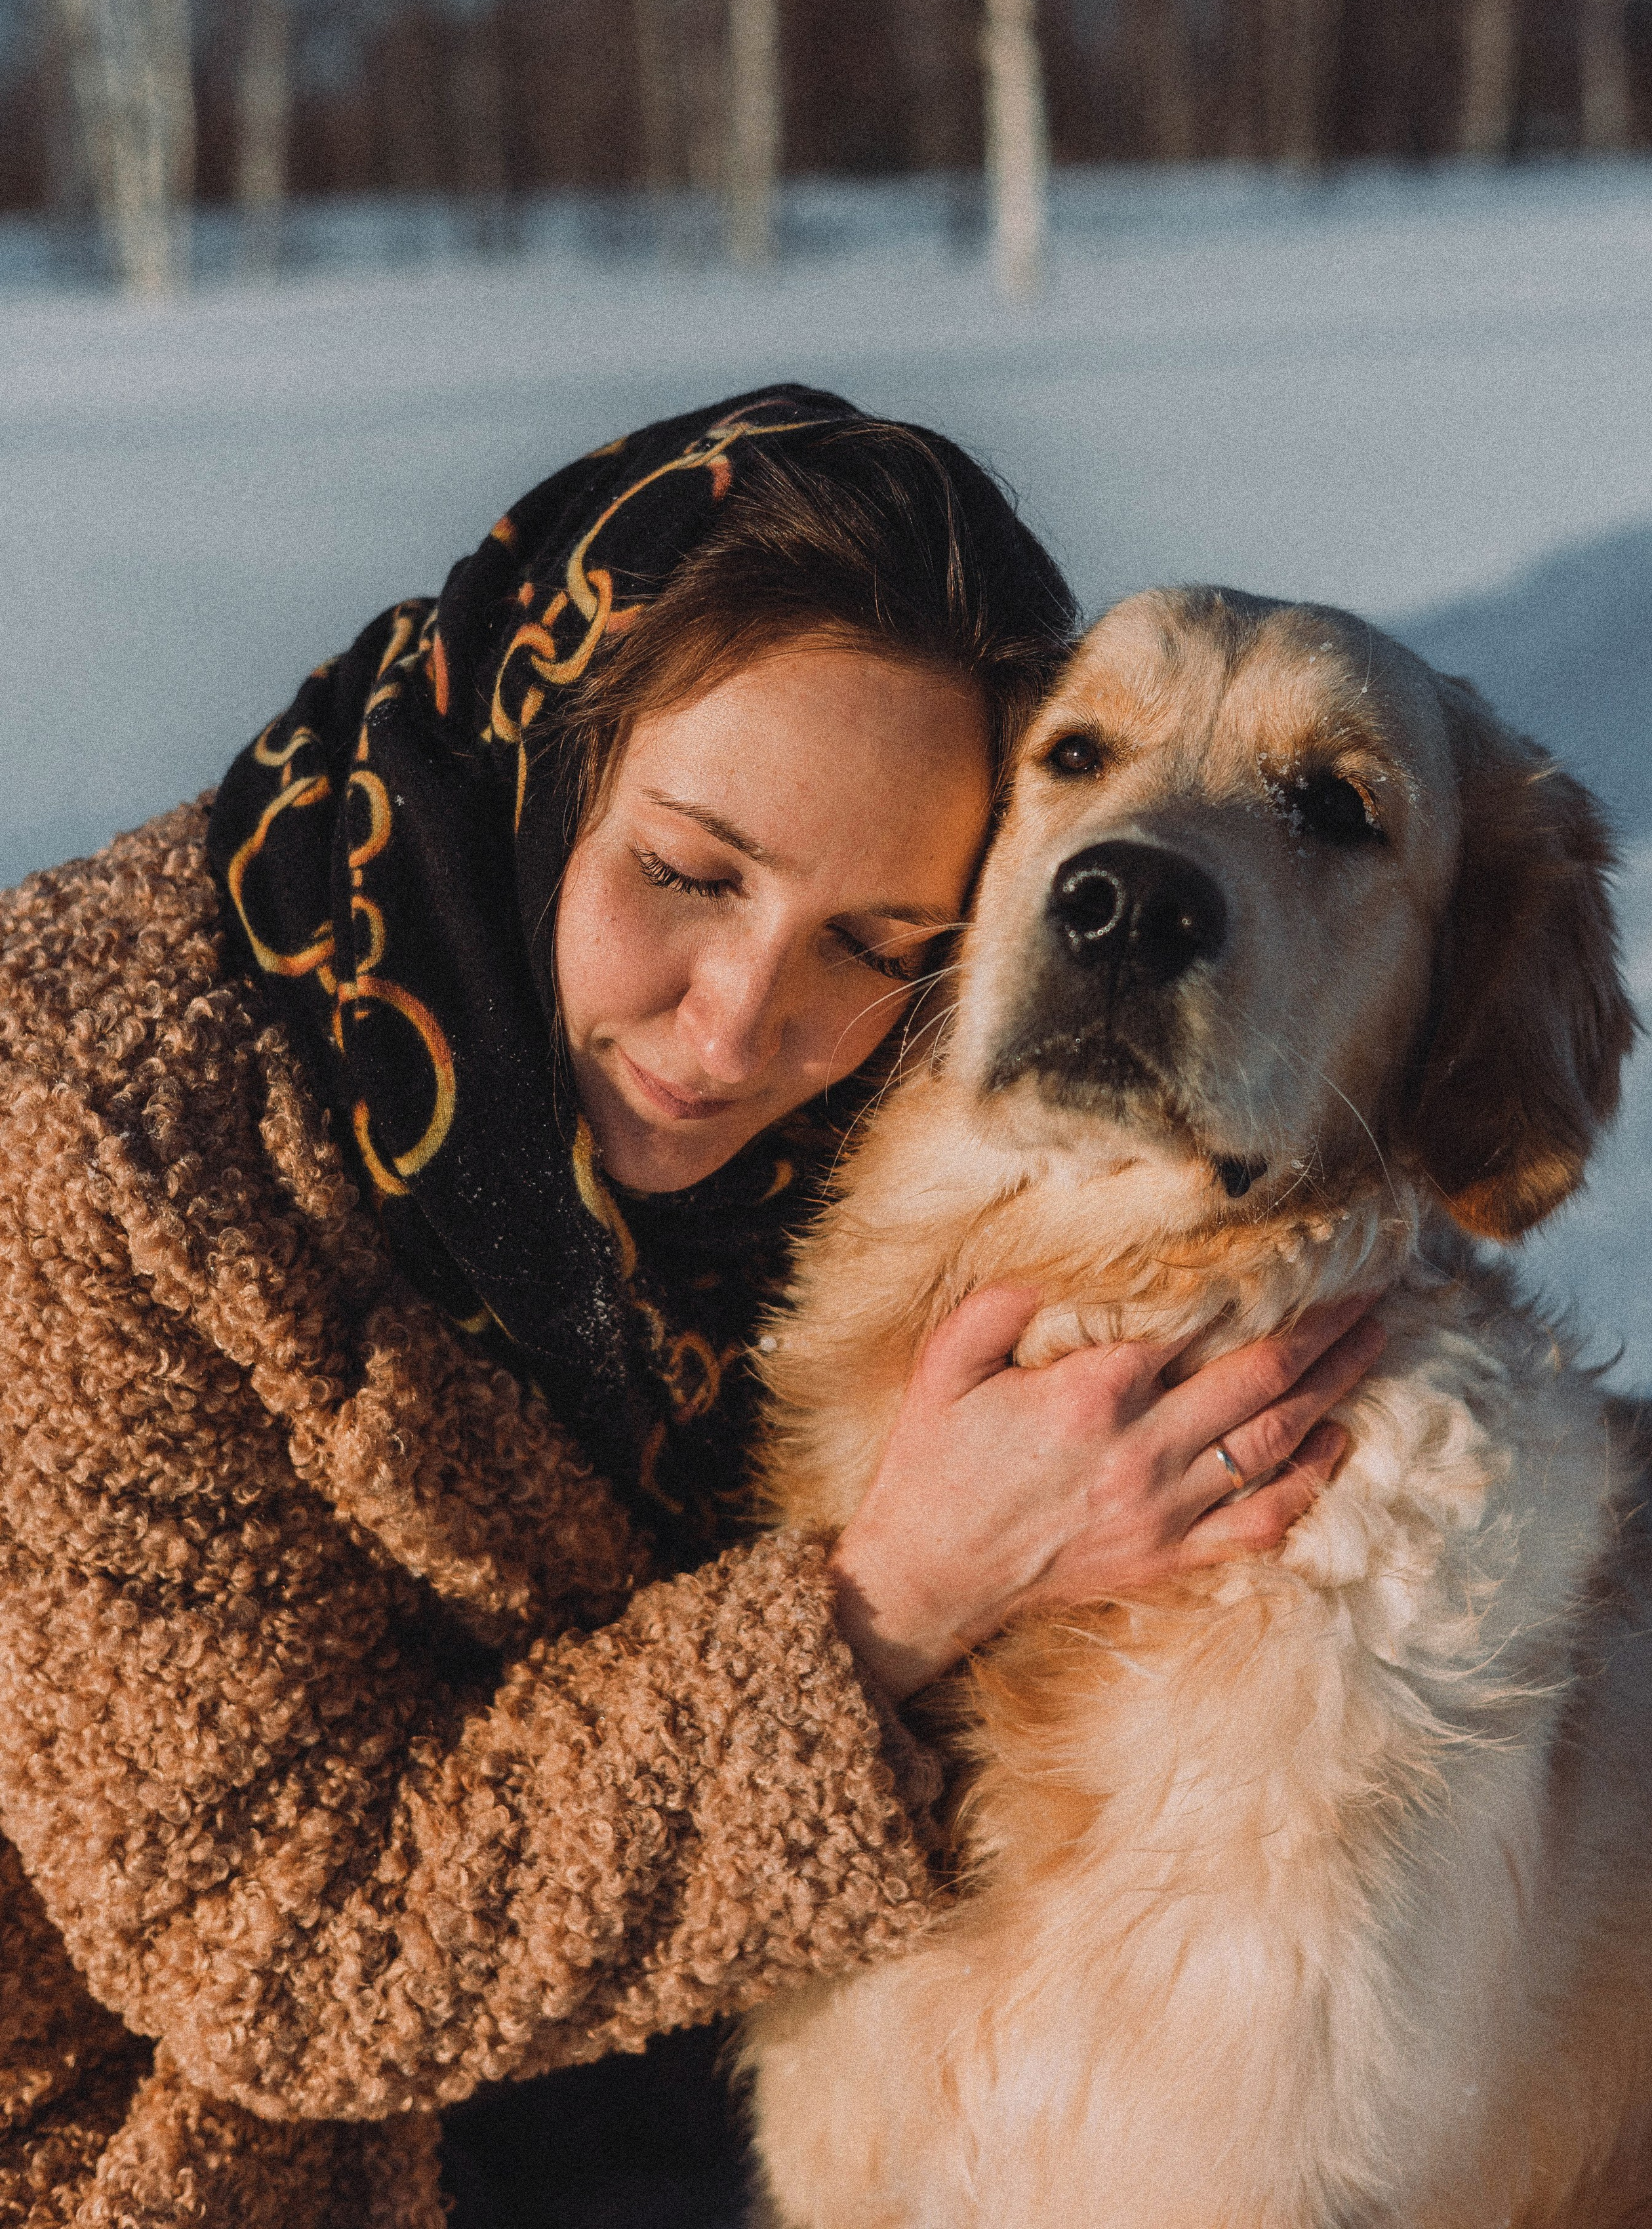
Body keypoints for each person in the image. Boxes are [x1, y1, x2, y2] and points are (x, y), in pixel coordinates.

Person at [0, 388, 1379, 2229]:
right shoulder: (99, 1140)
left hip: (631, 2029)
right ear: (538, 754)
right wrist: (889, 1601)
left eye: (877, 945)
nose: (737, 1029)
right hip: (192, 2133)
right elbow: (280, 1949)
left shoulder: (888, 1094)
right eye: (686, 873)